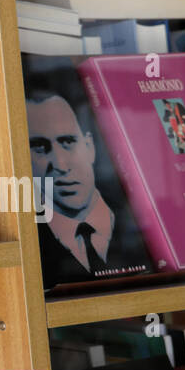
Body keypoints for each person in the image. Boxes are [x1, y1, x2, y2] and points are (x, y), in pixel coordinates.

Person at [27, 91, 149, 284]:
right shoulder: (28, 246)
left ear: (89, 147)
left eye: (68, 142)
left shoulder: (143, 218)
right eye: (40, 148)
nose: (60, 164)